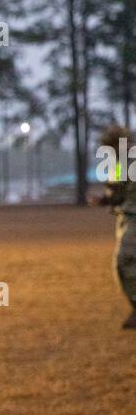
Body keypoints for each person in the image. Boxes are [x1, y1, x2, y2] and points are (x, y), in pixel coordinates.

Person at [92, 123, 136, 330]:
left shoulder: (125, 159)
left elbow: (115, 190)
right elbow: (116, 191)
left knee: (123, 263)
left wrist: (105, 198)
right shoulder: (122, 160)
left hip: (133, 218)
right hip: (125, 217)